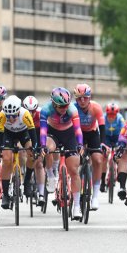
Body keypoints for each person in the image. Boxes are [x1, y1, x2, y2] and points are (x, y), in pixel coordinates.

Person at [40, 87, 83, 218]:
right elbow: (42, 131)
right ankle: (50, 175)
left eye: (66, 105)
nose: (64, 108)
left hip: (69, 134)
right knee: (47, 148)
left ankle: (77, 206)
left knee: (74, 169)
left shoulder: (72, 110)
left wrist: (80, 143)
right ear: (53, 104)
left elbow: (78, 130)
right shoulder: (46, 110)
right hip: (53, 134)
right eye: (61, 106)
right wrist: (43, 146)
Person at [0, 95, 37, 209]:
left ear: (18, 112)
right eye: (8, 116)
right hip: (8, 134)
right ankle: (5, 195)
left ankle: (27, 181)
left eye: (14, 116)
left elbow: (33, 133)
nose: (11, 119)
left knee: (31, 154)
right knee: (7, 159)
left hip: (23, 133)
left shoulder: (25, 114)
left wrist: (35, 148)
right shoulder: (2, 115)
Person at [73, 83, 106, 210]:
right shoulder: (73, 108)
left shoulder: (96, 107)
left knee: (98, 159)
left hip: (92, 133)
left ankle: (95, 196)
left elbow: (102, 126)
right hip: (77, 134)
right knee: (75, 160)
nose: (82, 100)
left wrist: (102, 143)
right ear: (76, 98)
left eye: (85, 97)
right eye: (79, 98)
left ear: (89, 97)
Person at [22, 96, 45, 205]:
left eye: (33, 111)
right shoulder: (21, 114)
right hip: (26, 134)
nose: (30, 114)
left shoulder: (41, 114)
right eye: (28, 111)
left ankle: (41, 194)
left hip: (38, 133)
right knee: (24, 153)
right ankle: (22, 173)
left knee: (39, 163)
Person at [101, 102, 125, 196]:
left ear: (116, 114)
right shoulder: (103, 118)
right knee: (104, 157)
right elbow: (100, 130)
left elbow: (123, 131)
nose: (111, 117)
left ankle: (119, 174)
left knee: (119, 157)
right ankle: (103, 181)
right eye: (109, 115)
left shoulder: (120, 118)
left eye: (113, 115)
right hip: (106, 137)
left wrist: (121, 144)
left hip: (117, 137)